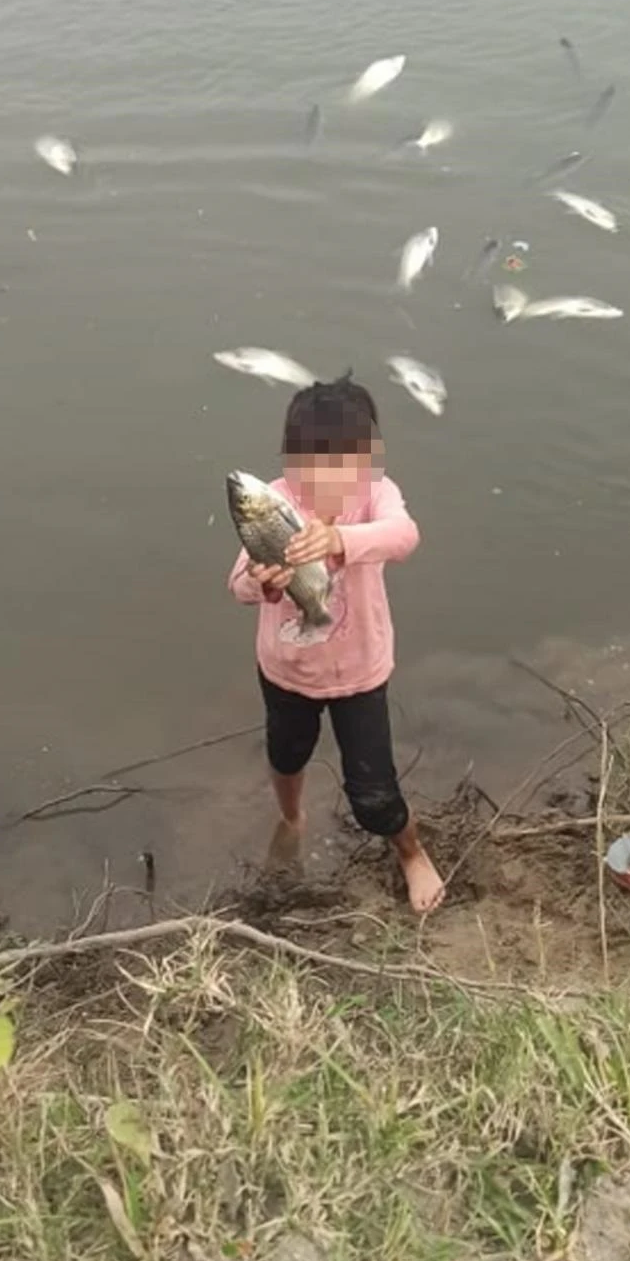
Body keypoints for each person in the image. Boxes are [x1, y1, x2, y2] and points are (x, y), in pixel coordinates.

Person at [227, 374, 445, 914]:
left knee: (374, 792)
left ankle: (411, 852)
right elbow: (237, 587)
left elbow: (405, 536)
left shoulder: (376, 495)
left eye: (348, 458)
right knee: (286, 753)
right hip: (285, 669)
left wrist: (341, 539)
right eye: (314, 459)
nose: (330, 472)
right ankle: (292, 817)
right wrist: (264, 581)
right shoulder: (273, 504)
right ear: (292, 458)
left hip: (359, 672)